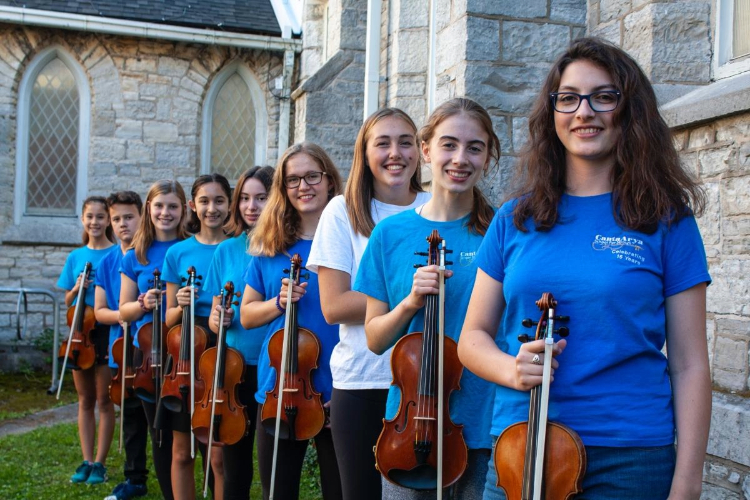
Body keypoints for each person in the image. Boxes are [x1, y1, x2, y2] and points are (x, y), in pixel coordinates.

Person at [457, 37, 711, 500]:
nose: (584, 112)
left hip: (630, 456)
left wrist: (688, 482)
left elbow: (691, 363)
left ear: (629, 110)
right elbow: (472, 337)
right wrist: (512, 369)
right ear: (553, 112)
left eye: (604, 96)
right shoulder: (513, 218)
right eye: (569, 98)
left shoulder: (666, 221)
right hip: (522, 446)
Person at [354, 97, 499, 499]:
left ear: (488, 156)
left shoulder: (501, 231)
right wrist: (410, 303)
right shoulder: (389, 235)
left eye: (475, 148)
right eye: (449, 144)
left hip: (483, 420)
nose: (460, 158)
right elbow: (375, 338)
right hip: (410, 426)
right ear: (426, 150)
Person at [306, 108, 430, 500]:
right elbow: (335, 305)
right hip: (363, 380)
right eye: (383, 143)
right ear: (365, 152)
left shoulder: (436, 208)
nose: (396, 153)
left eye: (405, 142)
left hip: (430, 384)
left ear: (420, 151)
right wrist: (411, 297)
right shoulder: (342, 211)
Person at [240, 142, 344, 500]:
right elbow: (247, 315)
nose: (304, 186)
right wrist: (278, 302)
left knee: (339, 491)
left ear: (329, 180)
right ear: (282, 189)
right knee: (277, 491)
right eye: (293, 180)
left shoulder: (352, 240)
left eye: (312, 176)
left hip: (338, 387)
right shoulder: (269, 246)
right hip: (281, 388)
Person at [204, 165, 274, 500]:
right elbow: (216, 314)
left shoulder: (285, 249)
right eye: (244, 198)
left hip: (276, 365)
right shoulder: (226, 250)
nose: (251, 206)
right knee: (235, 464)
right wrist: (218, 318)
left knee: (274, 465)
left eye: (261, 198)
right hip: (234, 366)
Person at [161, 173, 232, 500]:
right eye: (204, 201)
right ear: (193, 205)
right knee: (182, 451)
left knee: (217, 454)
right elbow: (168, 318)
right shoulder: (178, 253)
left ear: (229, 204)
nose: (212, 208)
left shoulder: (236, 249)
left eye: (219, 200)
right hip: (186, 347)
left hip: (222, 343)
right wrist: (179, 303)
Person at [120, 180, 189, 500]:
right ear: (149, 208)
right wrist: (142, 304)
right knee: (160, 434)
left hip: (184, 350)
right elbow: (124, 310)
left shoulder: (189, 247)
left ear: (184, 210)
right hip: (146, 355)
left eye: (173, 206)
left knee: (190, 434)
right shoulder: (136, 253)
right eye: (159, 205)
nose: (166, 212)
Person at [57, 195, 117, 485]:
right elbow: (67, 300)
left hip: (104, 332)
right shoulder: (75, 257)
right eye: (89, 217)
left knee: (105, 400)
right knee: (85, 400)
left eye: (100, 217)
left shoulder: (116, 254)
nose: (95, 222)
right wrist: (77, 287)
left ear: (108, 220)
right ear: (83, 219)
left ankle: (101, 464)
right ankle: (86, 460)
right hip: (80, 332)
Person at [94, 191, 149, 500]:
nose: (122, 224)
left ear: (142, 217)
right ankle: (134, 476)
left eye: (129, 217)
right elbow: (100, 311)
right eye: (116, 219)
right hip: (121, 347)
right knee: (129, 414)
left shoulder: (149, 254)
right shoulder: (108, 261)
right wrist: (125, 312)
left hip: (150, 345)